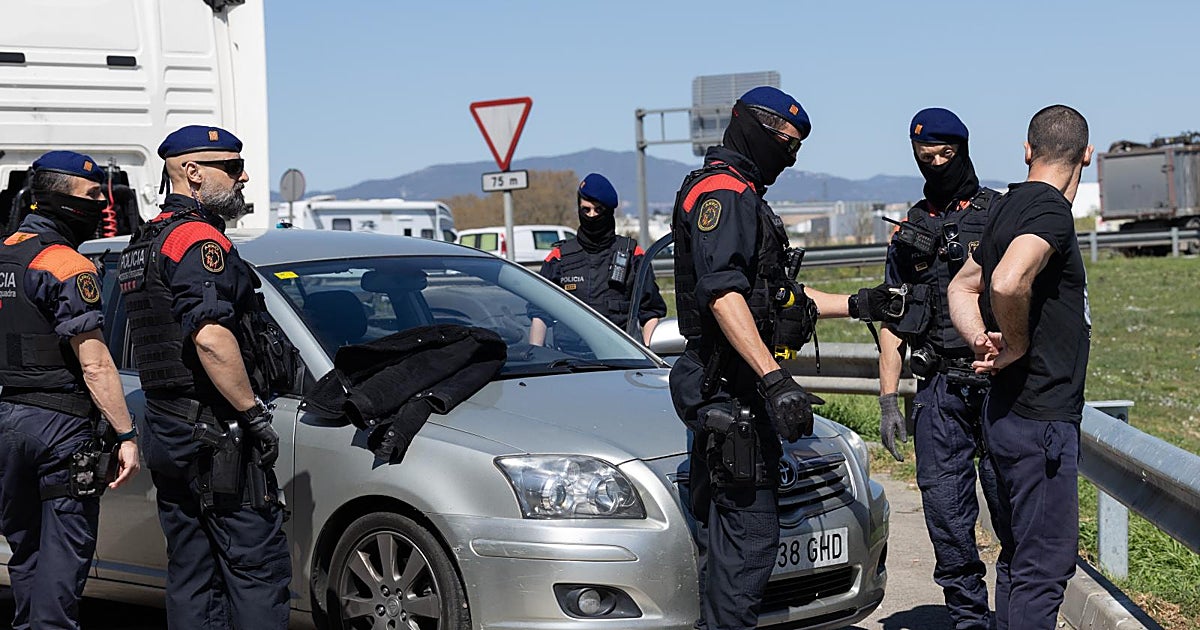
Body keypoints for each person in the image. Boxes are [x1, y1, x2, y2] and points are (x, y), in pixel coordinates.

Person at [669, 86, 905, 630]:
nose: (791, 154)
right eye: (785, 141)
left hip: (734, 389)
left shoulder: (746, 193)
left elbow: (774, 299)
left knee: (728, 545)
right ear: (752, 126)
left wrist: (857, 303)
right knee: (748, 544)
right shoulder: (723, 193)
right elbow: (723, 294)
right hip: (729, 390)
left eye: (798, 145)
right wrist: (775, 380)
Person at [119, 125, 290, 628]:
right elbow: (210, 337)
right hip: (215, 430)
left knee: (192, 570)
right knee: (255, 567)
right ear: (192, 172)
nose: (245, 177)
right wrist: (252, 413)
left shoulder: (145, 240)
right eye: (233, 168)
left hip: (169, 423)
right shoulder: (197, 240)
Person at [948, 105, 1092, 630]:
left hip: (1007, 417)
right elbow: (1007, 282)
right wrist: (1012, 342)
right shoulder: (1051, 211)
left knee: (1017, 561)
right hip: (1040, 422)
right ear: (1087, 156)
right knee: (1044, 568)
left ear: (1027, 151)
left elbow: (962, 286)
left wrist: (981, 342)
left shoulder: (1006, 207)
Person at [0, 150, 141, 629]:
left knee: (25, 552)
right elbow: (96, 362)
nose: (103, 204)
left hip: (7, 423)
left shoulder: (4, 255)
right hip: (60, 427)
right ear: (63, 199)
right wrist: (126, 434)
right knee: (64, 555)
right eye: (93, 195)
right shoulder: (67, 264)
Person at [876, 108, 1005, 629]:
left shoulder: (1000, 212)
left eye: (944, 154)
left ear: (963, 149)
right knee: (948, 520)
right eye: (924, 158)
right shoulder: (910, 227)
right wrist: (888, 399)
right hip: (940, 389)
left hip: (1000, 386)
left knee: (1013, 513)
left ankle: (1018, 615)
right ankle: (969, 621)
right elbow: (891, 314)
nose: (935, 164)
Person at [529, 173, 667, 347]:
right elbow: (540, 314)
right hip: (569, 363)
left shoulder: (633, 256)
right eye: (586, 210)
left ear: (609, 212)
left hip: (622, 362)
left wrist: (649, 355)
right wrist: (535, 352)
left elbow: (650, 312)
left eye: (598, 210)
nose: (592, 215)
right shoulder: (559, 257)